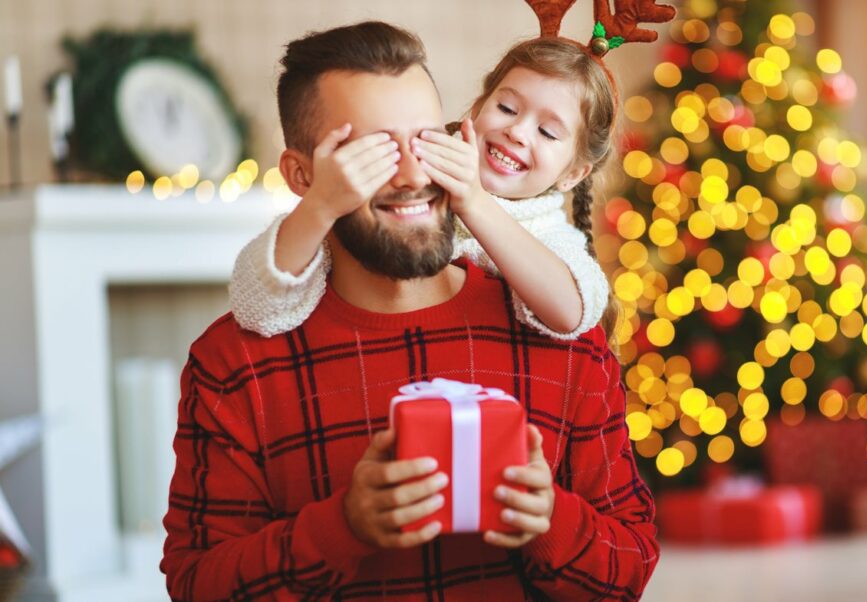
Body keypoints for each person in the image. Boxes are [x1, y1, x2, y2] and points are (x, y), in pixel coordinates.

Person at [161, 21, 658, 601]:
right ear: (302, 176)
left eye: (425, 139)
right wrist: (339, 529)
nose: (411, 172)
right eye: (371, 153)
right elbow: (199, 588)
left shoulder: (560, 334)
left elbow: (626, 574)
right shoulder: (235, 364)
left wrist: (551, 524)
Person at [228, 31, 618, 342]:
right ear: (477, 109)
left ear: (573, 174)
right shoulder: (410, 178)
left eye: (548, 132)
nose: (517, 131)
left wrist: (475, 203)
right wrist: (320, 206)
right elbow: (256, 302)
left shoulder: (547, 231)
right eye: (507, 109)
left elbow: (573, 313)